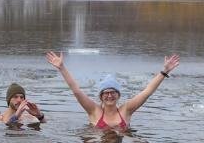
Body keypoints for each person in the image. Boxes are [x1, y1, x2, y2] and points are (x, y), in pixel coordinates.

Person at [45, 51, 180, 129]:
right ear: (101, 96)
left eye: (112, 92)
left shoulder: (126, 110)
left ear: (118, 95)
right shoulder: (94, 110)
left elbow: (147, 92)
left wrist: (164, 72)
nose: (109, 96)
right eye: (106, 93)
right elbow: (76, 91)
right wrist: (62, 68)